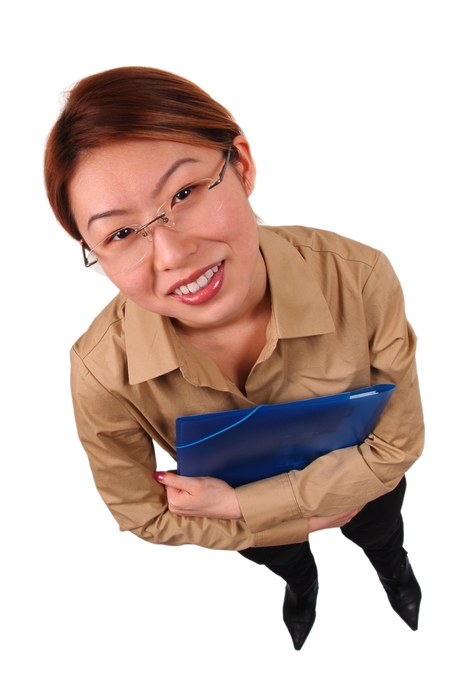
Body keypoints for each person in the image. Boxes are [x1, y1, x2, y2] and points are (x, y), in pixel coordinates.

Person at [44, 66, 424, 650]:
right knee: (287, 564)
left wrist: (239, 503)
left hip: (356, 495)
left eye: (184, 194)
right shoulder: (101, 371)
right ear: (93, 251)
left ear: (241, 165)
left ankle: (396, 579)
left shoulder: (359, 276)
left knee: (383, 538)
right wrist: (288, 520)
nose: (172, 255)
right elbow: (142, 514)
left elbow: (397, 446)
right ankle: (303, 590)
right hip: (254, 531)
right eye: (120, 235)